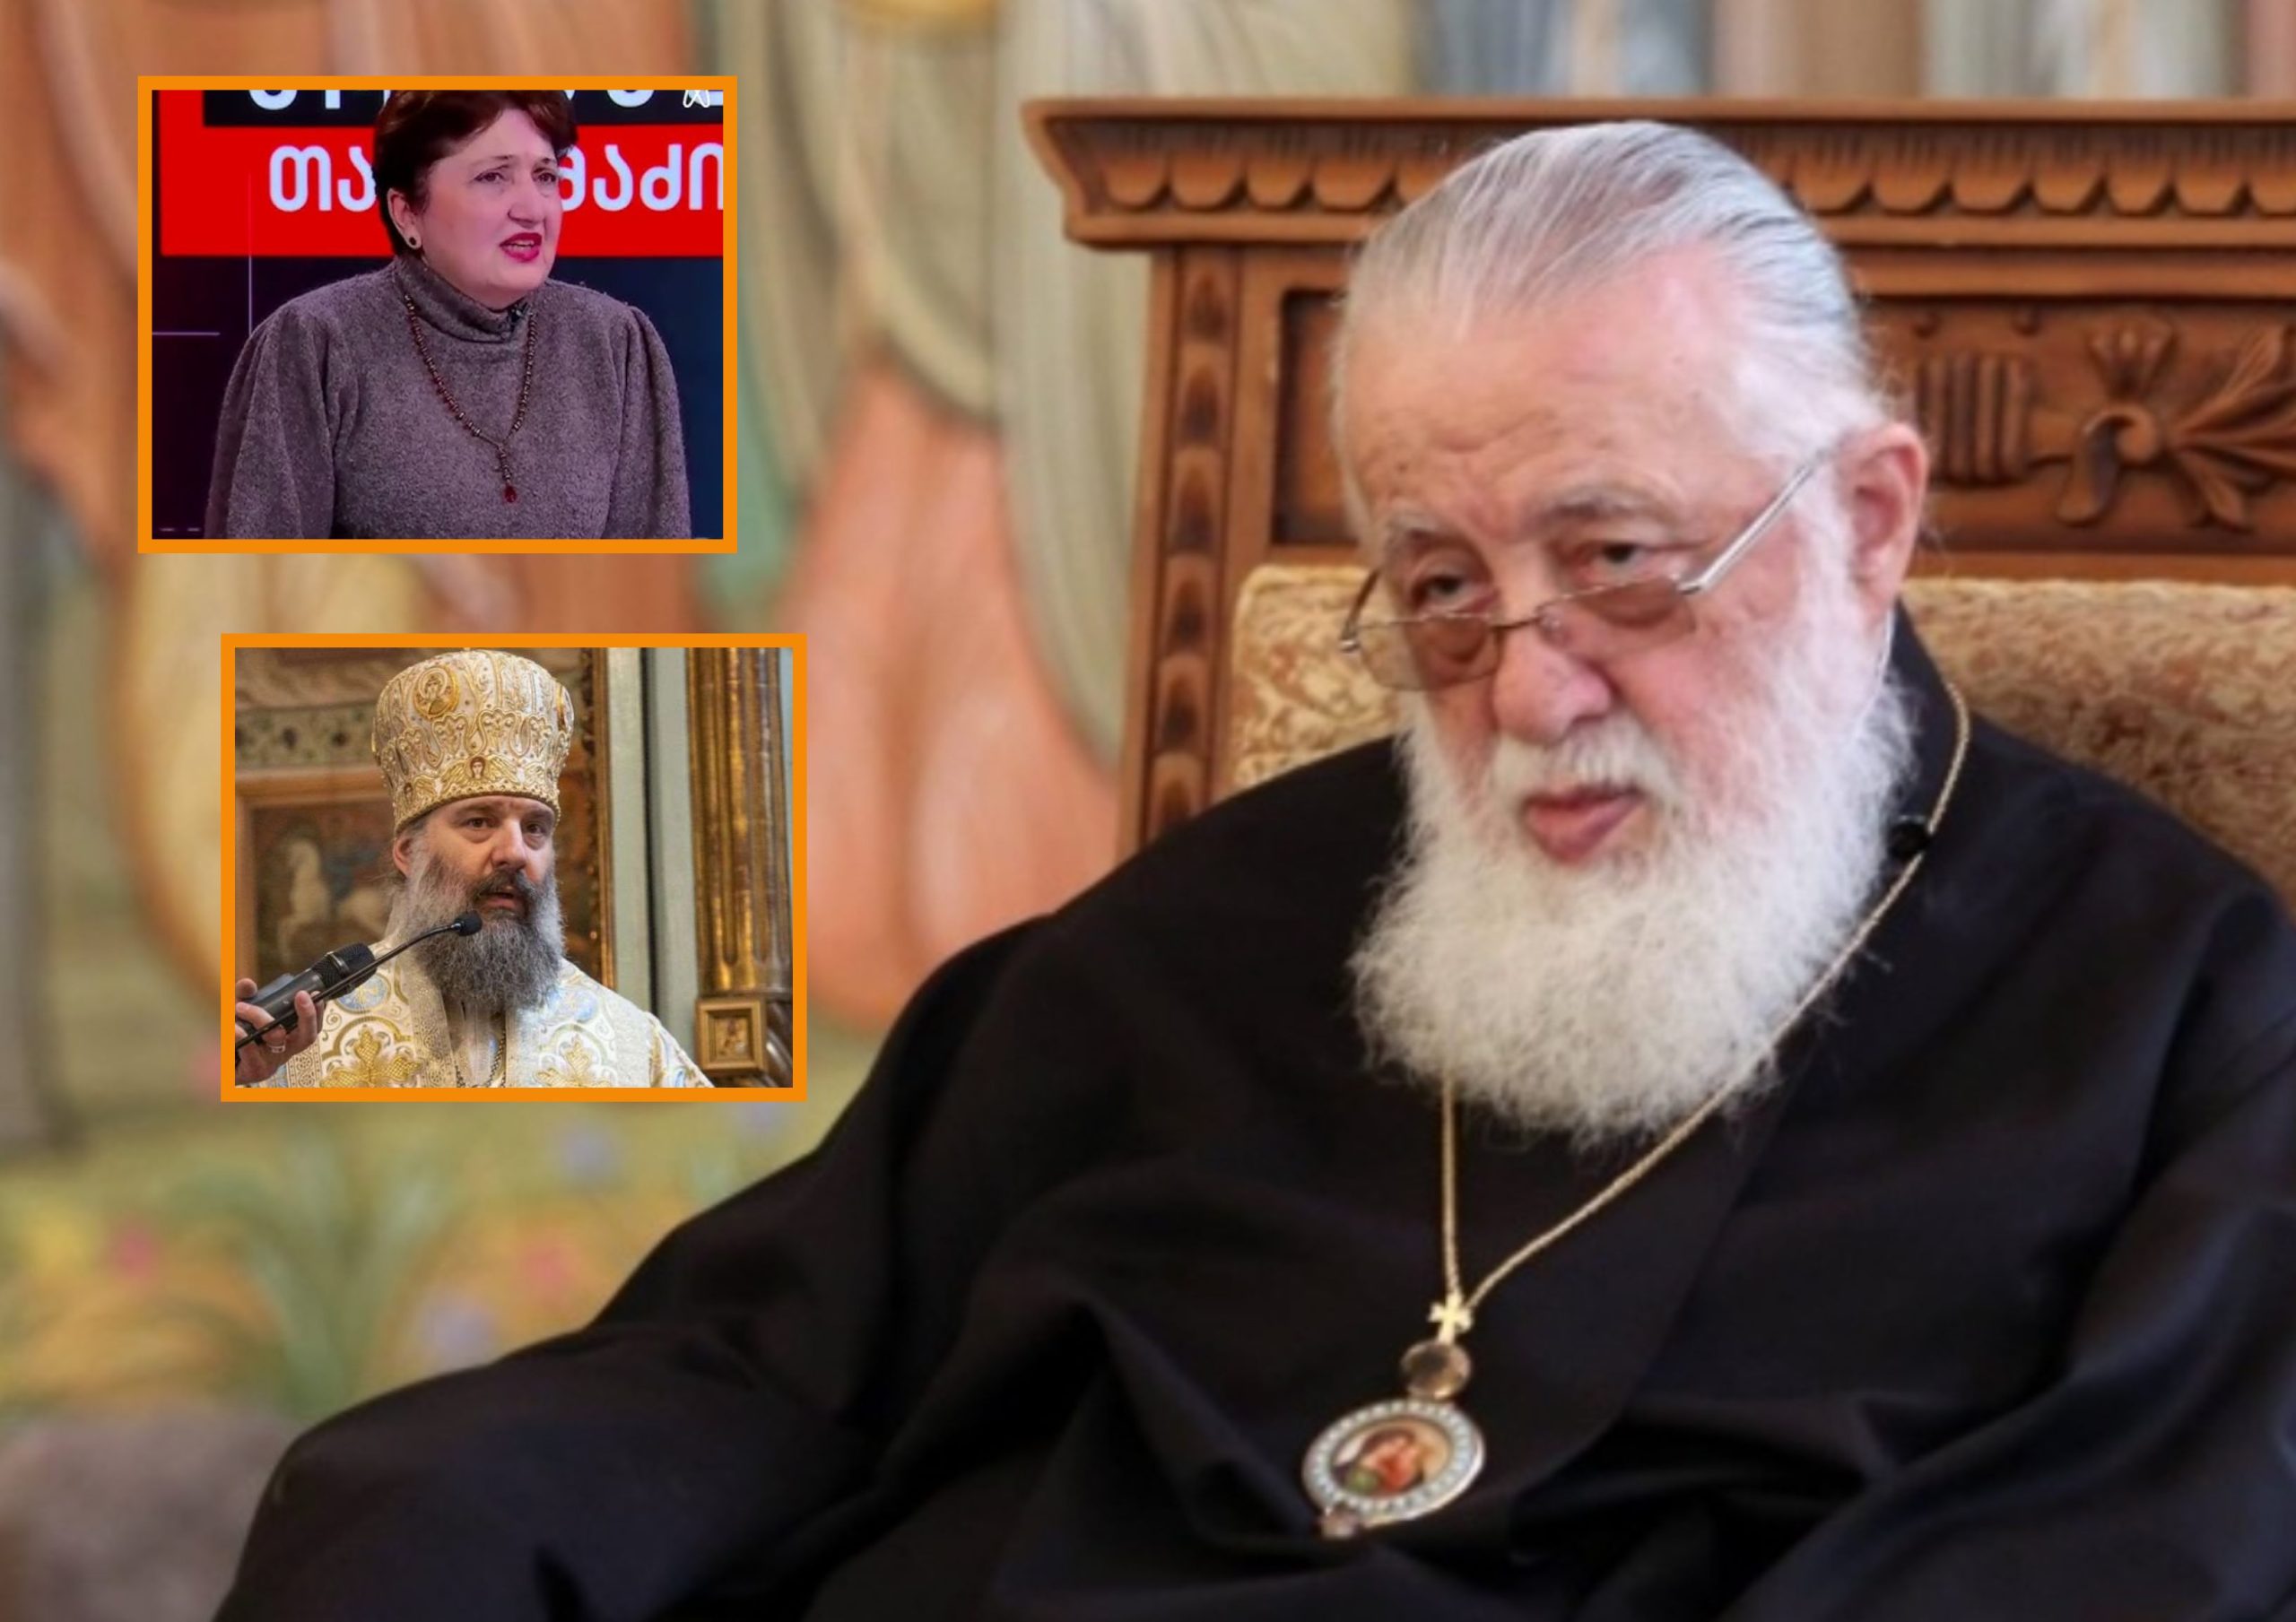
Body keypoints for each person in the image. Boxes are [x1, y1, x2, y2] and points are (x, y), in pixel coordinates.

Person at [217, 125, 2296, 1617]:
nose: (1527, 687)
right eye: (1439, 589)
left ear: (1863, 519)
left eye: (1614, 560)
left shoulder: (2175, 1015)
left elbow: (2137, 1547)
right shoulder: (1197, 940)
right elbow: (761, 1359)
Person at [203, 90, 691, 541]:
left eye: (546, 177)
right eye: (493, 177)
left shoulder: (614, 341)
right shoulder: (315, 342)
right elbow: (256, 581)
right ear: (407, 213)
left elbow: (655, 579)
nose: (532, 209)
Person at [233, 649, 707, 1089]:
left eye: (535, 829)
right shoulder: (294, 1047)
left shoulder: (634, 1049)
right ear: (409, 853)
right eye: (479, 822)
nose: (515, 853)